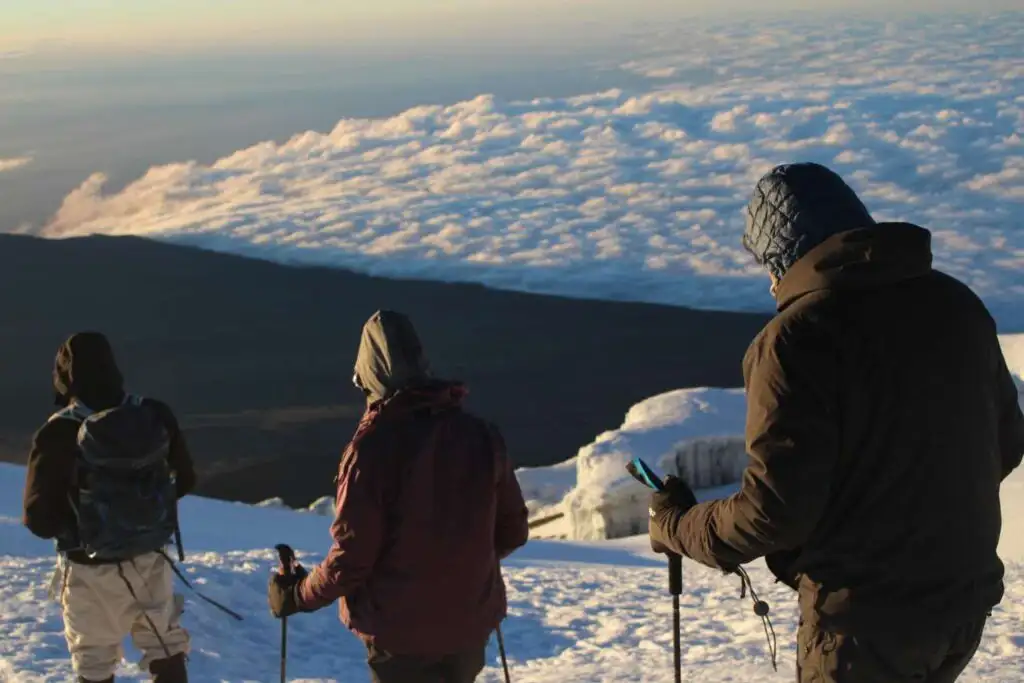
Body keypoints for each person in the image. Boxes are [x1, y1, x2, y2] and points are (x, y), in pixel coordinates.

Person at [648, 162, 1024, 683]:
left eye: (769, 265)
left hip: (863, 623)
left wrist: (676, 525)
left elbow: (772, 514)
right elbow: (1005, 444)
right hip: (961, 603)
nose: (772, 281)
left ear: (783, 253)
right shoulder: (955, 303)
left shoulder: (796, 338)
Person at [267, 310, 530, 683]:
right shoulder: (480, 435)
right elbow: (512, 532)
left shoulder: (371, 449)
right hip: (467, 627)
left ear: (369, 376)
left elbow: (353, 559)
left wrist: (297, 595)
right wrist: (461, 566)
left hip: (400, 639)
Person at [22, 332, 197, 683]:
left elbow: (38, 518)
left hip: (89, 565)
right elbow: (186, 480)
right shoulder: (153, 413)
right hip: (151, 556)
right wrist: (139, 513)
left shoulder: (59, 432)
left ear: (64, 377)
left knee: (94, 660)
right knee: (164, 645)